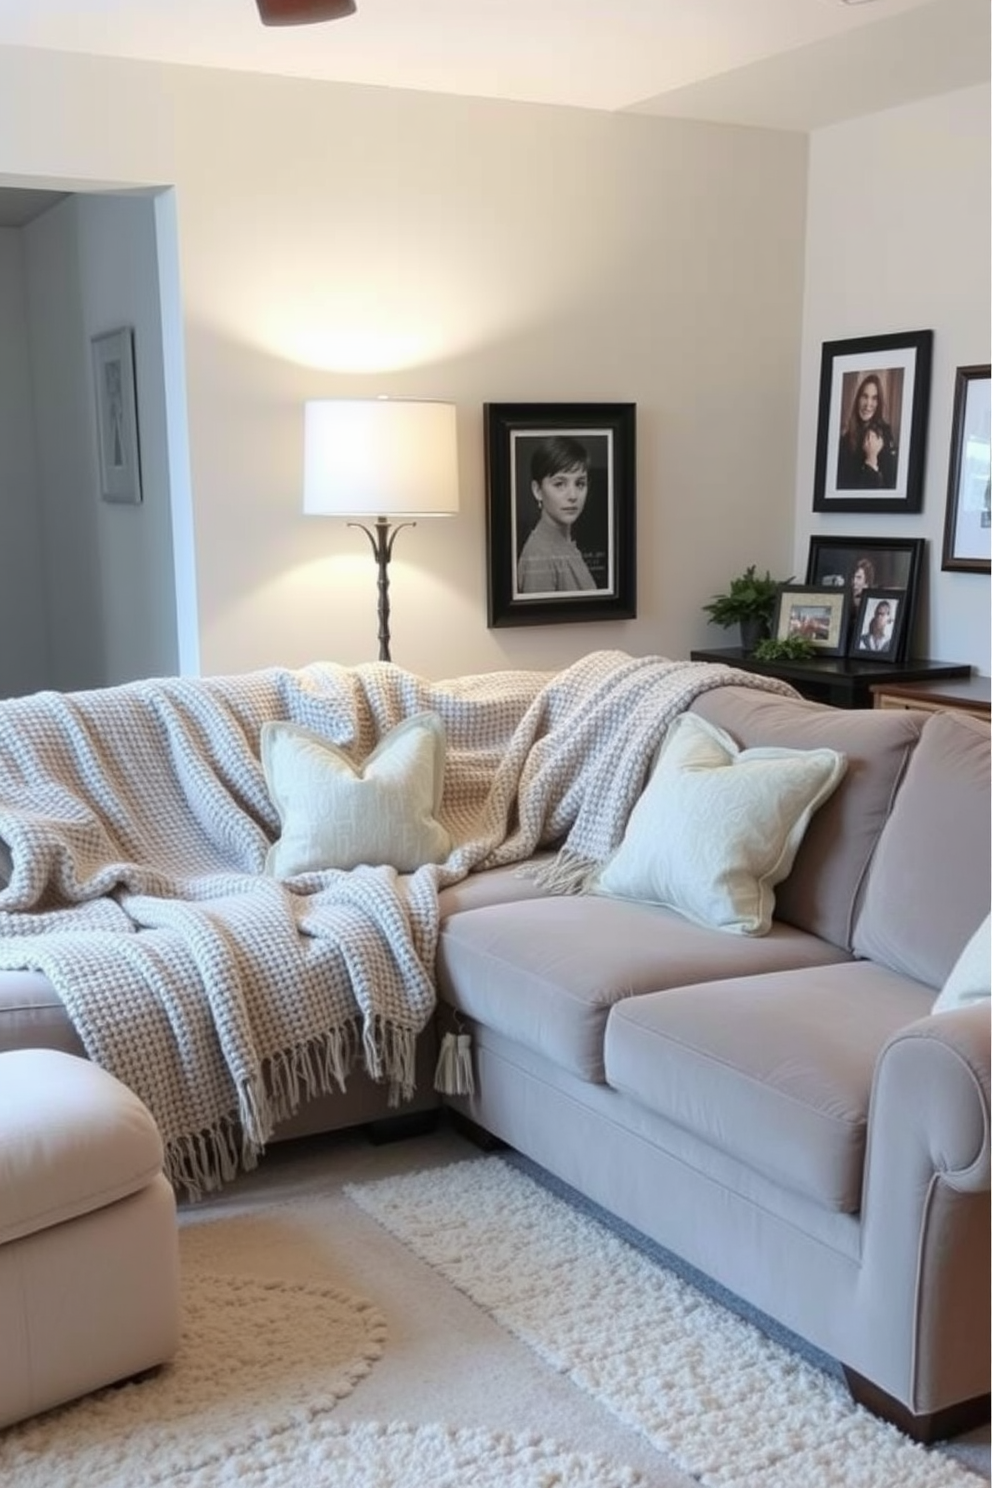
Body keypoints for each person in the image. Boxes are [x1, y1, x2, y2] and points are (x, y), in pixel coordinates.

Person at [516, 435, 597, 594]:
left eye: (580, 483)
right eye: (559, 484)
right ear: (537, 490)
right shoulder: (539, 556)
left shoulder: (565, 545)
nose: (573, 495)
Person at [836, 375, 898, 489]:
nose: (868, 404)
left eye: (874, 398)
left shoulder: (885, 434)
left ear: (878, 403)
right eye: (865, 396)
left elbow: (890, 485)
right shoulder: (845, 438)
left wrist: (871, 459)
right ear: (858, 399)